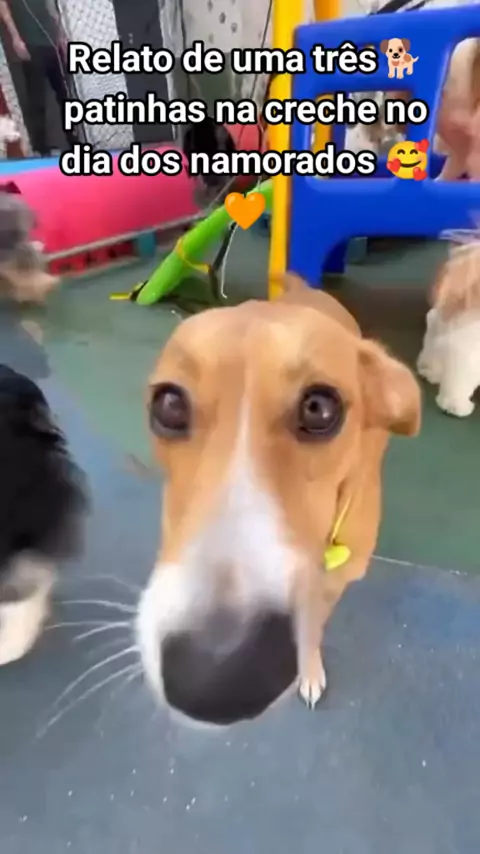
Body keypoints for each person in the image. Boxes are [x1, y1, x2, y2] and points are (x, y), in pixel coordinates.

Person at [0, 0, 79, 155]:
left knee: (65, 94)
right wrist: (15, 37)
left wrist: (61, 34)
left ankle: (74, 142)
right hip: (30, 43)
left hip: (51, 41)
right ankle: (41, 148)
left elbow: (51, 6)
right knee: (37, 100)